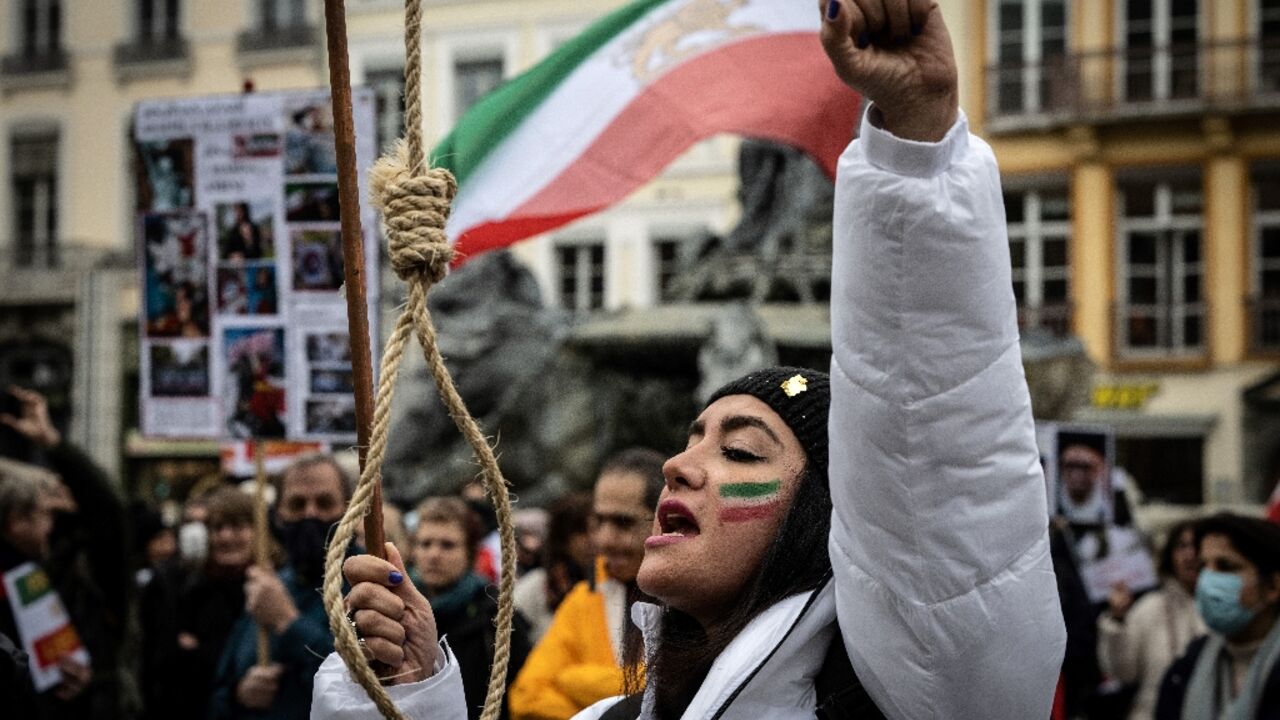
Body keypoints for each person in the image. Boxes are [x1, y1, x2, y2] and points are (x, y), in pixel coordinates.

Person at [312, 3, 1065, 718]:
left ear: (828, 516)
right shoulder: (610, 715)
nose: (678, 465)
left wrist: (915, 157)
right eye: (692, 437)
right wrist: (411, 694)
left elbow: (929, 449)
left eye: (738, 449)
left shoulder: (911, 701)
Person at [0, 387, 130, 720]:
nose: (54, 509)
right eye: (46, 507)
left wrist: (54, 445)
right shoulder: (21, 571)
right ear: (15, 519)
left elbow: (107, 511)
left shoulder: (80, 568)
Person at [509, 449, 666, 720]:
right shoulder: (582, 599)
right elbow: (526, 697)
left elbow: (681, 686)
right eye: (599, 521)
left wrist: (576, 681)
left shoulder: (697, 598)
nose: (604, 539)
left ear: (664, 519)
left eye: (623, 522)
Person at [209, 454, 350, 719]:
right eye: (297, 504)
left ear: (348, 509)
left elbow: (367, 689)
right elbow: (218, 691)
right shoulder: (269, 586)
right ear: (278, 515)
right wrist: (240, 694)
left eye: (324, 503)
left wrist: (288, 622)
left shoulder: (369, 586)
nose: (310, 514)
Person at [140, 486, 262, 719]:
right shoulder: (177, 586)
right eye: (217, 528)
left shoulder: (272, 586)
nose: (226, 537)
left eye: (237, 526)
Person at [409, 497, 531, 719]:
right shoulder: (399, 608)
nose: (434, 554)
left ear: (470, 552)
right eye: (425, 543)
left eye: (448, 545)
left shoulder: (497, 616)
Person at [1155, 514, 1280, 719]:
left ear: (1272, 587)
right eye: (1203, 566)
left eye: (1225, 566)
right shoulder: (1187, 668)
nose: (1207, 579)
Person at [1097, 520, 1205, 719]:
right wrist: (1117, 621)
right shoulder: (1149, 607)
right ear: (1170, 555)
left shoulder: (1225, 610)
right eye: (1182, 546)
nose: (1191, 555)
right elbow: (1123, 673)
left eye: (1198, 546)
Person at [513, 493, 593, 644]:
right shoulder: (537, 587)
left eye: (596, 529)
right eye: (581, 531)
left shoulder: (612, 586)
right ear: (563, 538)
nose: (592, 539)